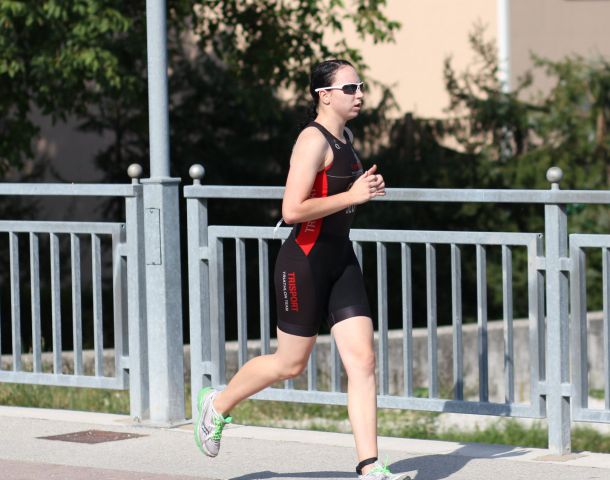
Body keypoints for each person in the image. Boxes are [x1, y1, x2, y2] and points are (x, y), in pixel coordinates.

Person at [194, 59, 410, 480]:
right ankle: (216, 405)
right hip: (304, 262)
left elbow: (339, 195)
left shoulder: (346, 136)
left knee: (364, 360)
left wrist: (361, 193)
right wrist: (353, 195)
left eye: (360, 86)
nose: (360, 94)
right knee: (291, 364)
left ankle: (370, 467)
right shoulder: (311, 141)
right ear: (324, 95)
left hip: (340, 260)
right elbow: (292, 210)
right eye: (350, 88)